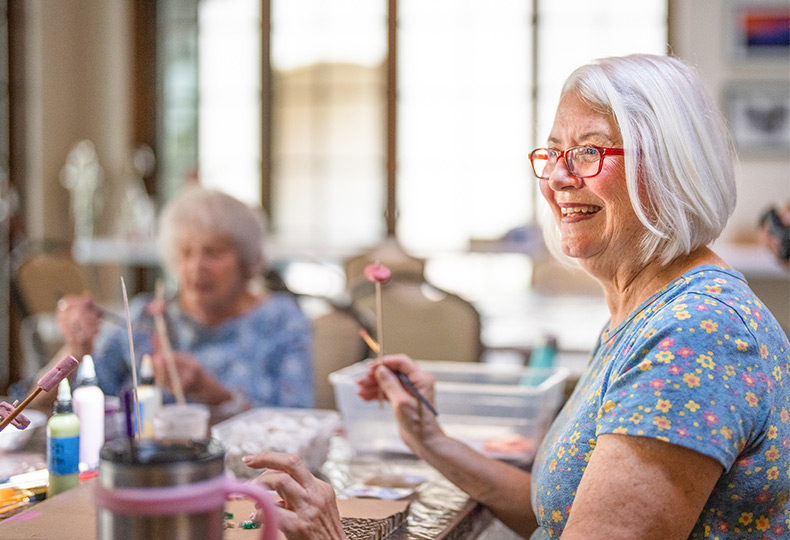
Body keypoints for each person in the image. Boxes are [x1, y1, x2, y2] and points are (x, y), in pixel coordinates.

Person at [242, 54, 790, 540]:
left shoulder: (694, 332)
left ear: (670, 167)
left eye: (589, 151)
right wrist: (431, 438)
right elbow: (554, 512)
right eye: (553, 153)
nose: (557, 177)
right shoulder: (645, 312)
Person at [49, 184, 314, 414]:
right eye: (186, 253)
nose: (197, 267)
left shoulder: (281, 320)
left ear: (248, 261)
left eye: (213, 252)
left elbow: (298, 422)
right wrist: (76, 350)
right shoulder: (147, 318)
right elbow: (49, 404)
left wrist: (216, 396)